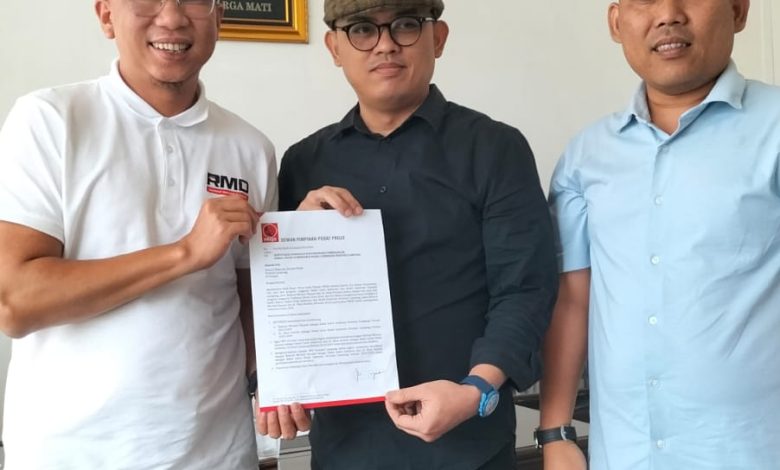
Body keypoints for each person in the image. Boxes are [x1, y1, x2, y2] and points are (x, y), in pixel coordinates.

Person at [254, 0, 558, 469]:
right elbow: (286, 305)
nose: (386, 45)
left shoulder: (495, 149)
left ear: (439, 38)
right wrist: (279, 385)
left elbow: (525, 289)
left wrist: (476, 388)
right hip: (344, 451)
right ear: (334, 48)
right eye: (362, 30)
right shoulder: (303, 162)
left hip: (467, 448)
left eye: (405, 25)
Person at [0, 0, 276, 468]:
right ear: (106, 15)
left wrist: (277, 380)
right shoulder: (50, 119)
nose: (172, 18)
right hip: (72, 454)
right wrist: (184, 253)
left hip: (219, 453)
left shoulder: (251, 146)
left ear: (219, 18)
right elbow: (15, 302)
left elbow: (254, 302)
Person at [540, 0, 780, 469]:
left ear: (738, 11)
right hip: (627, 453)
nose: (668, 14)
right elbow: (572, 299)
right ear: (616, 23)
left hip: (753, 451)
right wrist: (556, 431)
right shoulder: (586, 156)